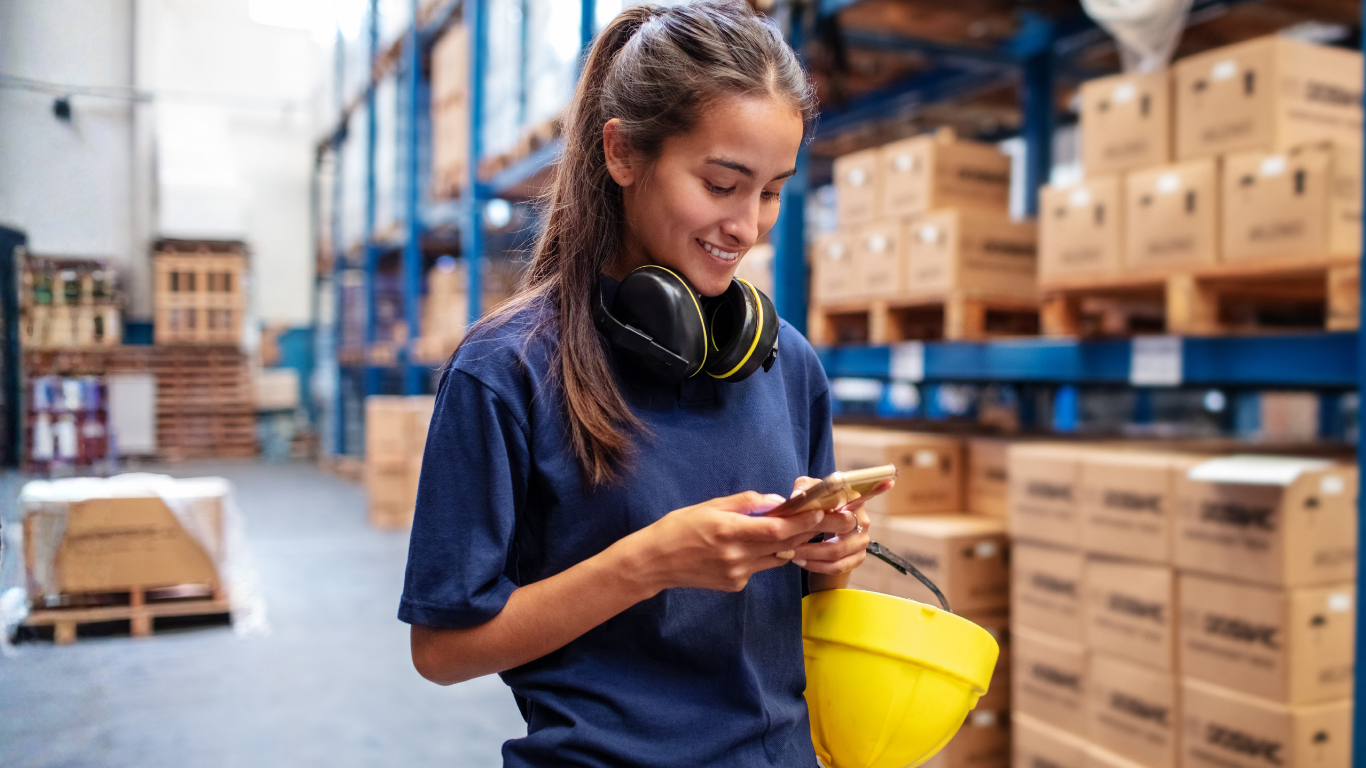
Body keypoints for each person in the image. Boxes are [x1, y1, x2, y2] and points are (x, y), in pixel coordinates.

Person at [400, 3, 888, 765]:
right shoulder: (506, 370)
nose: (748, 225)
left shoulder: (784, 362)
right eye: (722, 183)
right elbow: (442, 650)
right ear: (623, 153)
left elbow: (795, 618)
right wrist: (648, 563)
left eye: (770, 191)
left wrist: (829, 560)